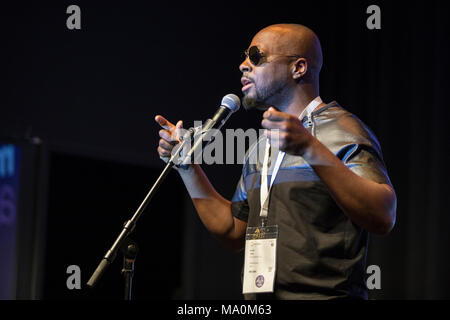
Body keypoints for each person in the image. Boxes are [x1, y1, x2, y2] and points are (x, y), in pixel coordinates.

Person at [155, 24, 397, 300]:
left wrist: (309, 147)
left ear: (299, 68)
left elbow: (383, 216)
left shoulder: (342, 130)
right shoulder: (261, 147)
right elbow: (234, 230)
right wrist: (187, 167)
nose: (243, 65)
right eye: (245, 57)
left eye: (256, 56)